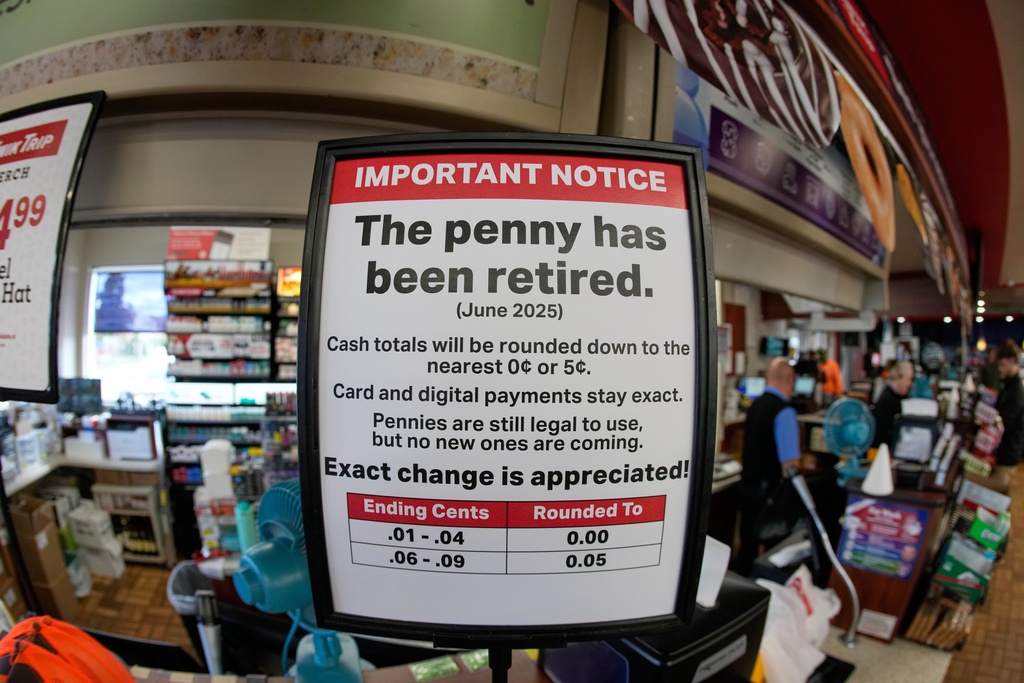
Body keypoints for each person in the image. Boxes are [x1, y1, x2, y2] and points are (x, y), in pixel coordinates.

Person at [736, 357, 802, 575]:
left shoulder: (755, 406)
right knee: (774, 554)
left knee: (747, 549)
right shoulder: (784, 412)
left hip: (748, 488)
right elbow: (790, 466)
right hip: (770, 495)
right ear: (789, 379)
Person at [967, 340, 1024, 493]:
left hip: (1007, 455)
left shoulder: (1017, 391)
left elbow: (1004, 422)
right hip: (1000, 453)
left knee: (993, 496)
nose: (999, 369)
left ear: (1012, 361)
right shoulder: (1008, 386)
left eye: (1002, 365)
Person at [871, 360, 915, 450]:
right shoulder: (888, 401)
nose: (910, 384)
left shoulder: (894, 396)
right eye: (909, 379)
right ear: (899, 377)